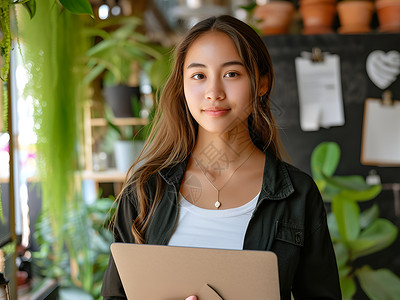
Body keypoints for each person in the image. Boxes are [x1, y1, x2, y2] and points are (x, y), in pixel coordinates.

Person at [100, 15, 341, 300]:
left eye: (231, 74)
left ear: (261, 83)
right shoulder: (146, 190)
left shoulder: (297, 194)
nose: (213, 93)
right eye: (199, 76)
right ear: (182, 85)